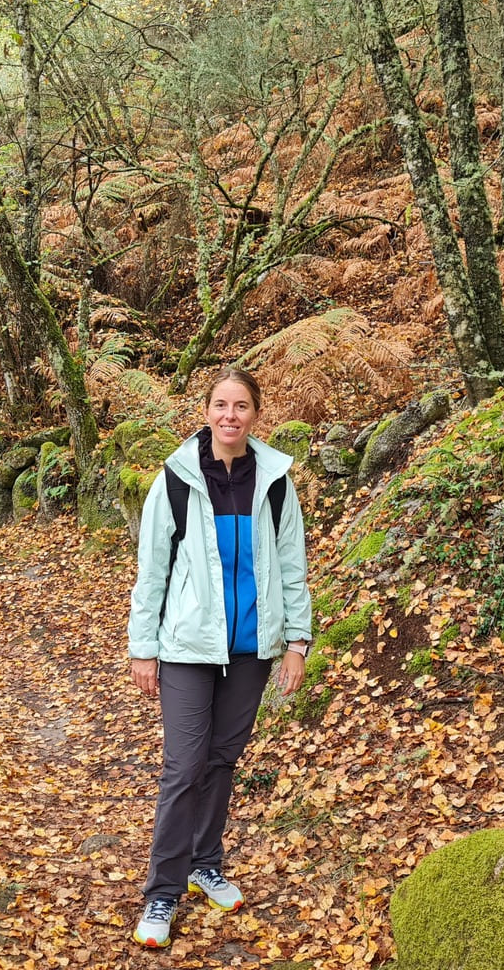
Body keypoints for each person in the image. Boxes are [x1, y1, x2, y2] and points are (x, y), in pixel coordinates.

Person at [124, 366, 314, 948]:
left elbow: (290, 564)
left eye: (241, 406)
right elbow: (152, 568)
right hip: (186, 645)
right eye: (220, 405)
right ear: (205, 411)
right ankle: (162, 893)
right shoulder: (178, 477)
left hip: (252, 646)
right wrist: (143, 647)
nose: (230, 416)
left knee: (223, 759)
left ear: (257, 414)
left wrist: (297, 642)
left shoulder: (275, 480)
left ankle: (207, 861)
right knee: (184, 765)